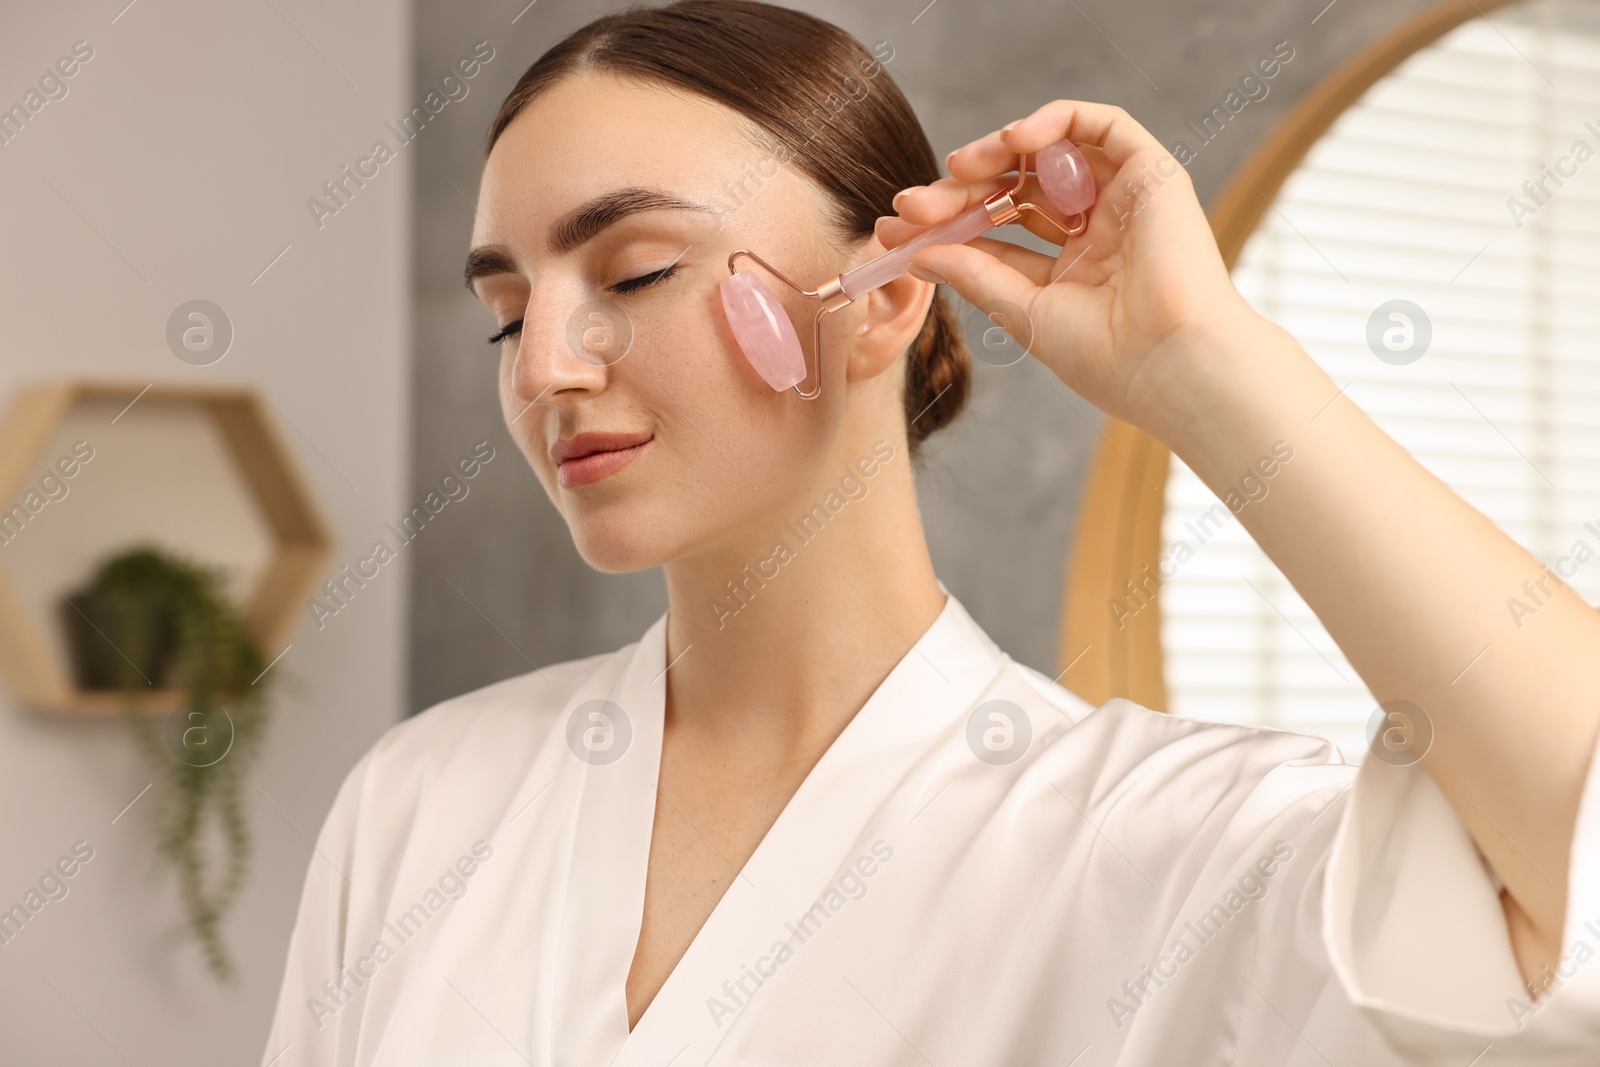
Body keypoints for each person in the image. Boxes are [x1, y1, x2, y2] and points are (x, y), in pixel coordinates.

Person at [260, 2, 1600, 1064]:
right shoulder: (423, 803)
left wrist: (1207, 364)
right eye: (508, 310)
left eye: (636, 273)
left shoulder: (1155, 846)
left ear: (885, 301)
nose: (543, 367)